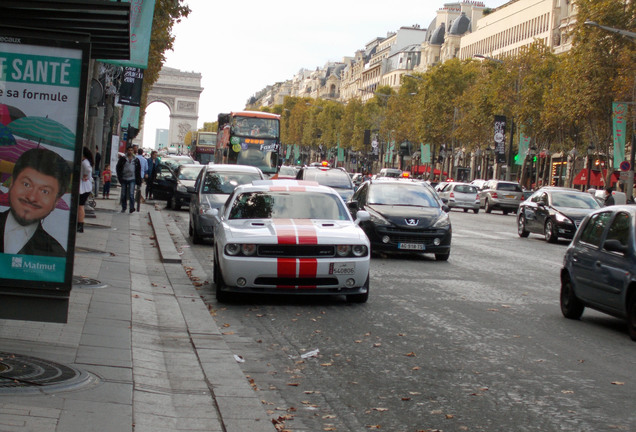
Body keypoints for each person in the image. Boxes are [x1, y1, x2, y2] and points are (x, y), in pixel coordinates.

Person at [0, 148, 72, 257]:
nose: (32, 197)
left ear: (56, 201)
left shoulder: (56, 255)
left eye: (44, 191)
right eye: (26, 184)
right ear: (12, 183)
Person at [116, 146, 141, 213]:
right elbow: (118, 167)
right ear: (127, 151)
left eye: (131, 150)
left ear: (133, 151)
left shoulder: (136, 160)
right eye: (129, 150)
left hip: (132, 178)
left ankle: (131, 207)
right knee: (123, 194)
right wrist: (120, 177)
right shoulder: (123, 159)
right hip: (124, 178)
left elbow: (138, 170)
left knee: (131, 193)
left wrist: (139, 180)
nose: (130, 151)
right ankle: (124, 207)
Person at [77, 146, 94, 233]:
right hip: (86, 186)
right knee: (80, 205)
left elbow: (87, 169)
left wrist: (85, 176)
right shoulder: (87, 161)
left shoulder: (85, 162)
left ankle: (80, 224)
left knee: (80, 206)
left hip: (83, 187)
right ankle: (80, 224)